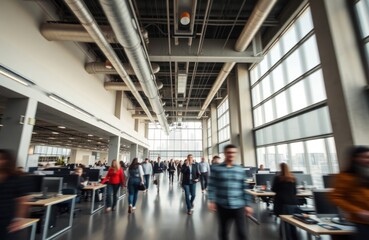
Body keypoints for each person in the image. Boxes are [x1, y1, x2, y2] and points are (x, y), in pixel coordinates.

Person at [208, 144, 253, 240]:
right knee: (223, 232)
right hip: (222, 205)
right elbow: (211, 185)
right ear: (225, 153)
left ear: (235, 154)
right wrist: (211, 200)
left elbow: (244, 187)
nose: (231, 155)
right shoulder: (216, 169)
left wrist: (248, 204)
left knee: (242, 233)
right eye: (229, 152)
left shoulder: (239, 169)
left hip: (239, 205)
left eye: (233, 152)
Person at [329, 146, 369, 240]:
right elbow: (335, 197)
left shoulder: (366, 174)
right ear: (355, 158)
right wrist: (358, 211)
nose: (367, 160)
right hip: (362, 221)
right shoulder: (346, 177)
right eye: (364, 157)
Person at [0, 150, 29, 240]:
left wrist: (18, 219)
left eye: (1, 159)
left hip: (6, 221)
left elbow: (23, 200)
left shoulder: (16, 178)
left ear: (7, 161)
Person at [272, 163, 298, 240]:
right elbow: (295, 192)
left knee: (284, 223)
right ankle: (294, 237)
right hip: (293, 203)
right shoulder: (293, 178)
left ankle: (284, 237)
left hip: (282, 203)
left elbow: (274, 189)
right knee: (293, 223)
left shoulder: (278, 178)